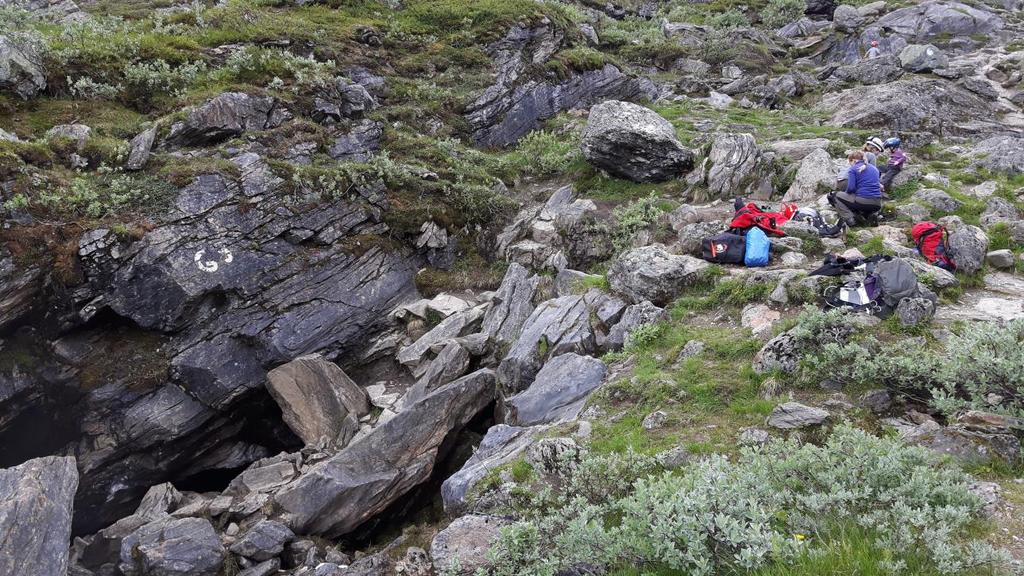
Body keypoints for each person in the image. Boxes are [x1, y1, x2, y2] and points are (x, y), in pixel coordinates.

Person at [829, 150, 882, 227]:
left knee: (835, 196)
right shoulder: (874, 169)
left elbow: (851, 188)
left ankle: (851, 219)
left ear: (853, 160)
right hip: (877, 203)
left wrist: (846, 195)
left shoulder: (853, 169)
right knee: (860, 201)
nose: (850, 165)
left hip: (863, 201)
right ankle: (871, 216)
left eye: (849, 162)